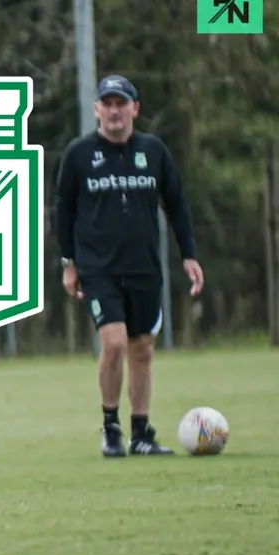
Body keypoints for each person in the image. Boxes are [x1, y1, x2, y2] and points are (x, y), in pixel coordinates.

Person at [55, 74, 203, 458]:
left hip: (144, 267)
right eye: (108, 103)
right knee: (115, 343)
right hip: (98, 269)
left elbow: (177, 204)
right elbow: (64, 210)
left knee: (142, 349)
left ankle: (141, 433)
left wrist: (189, 254)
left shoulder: (153, 151)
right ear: (97, 110)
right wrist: (69, 264)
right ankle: (111, 428)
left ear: (135, 108)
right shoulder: (79, 154)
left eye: (122, 103)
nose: (115, 110)